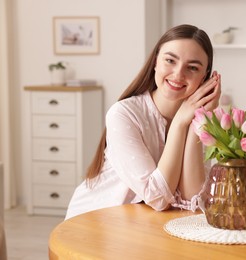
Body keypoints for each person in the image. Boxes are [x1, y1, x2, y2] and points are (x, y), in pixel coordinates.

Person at [65, 24, 221, 220]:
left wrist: (194, 122)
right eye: (170, 60)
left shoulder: (199, 119)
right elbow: (157, 197)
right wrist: (181, 121)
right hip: (93, 223)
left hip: (141, 225)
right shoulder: (123, 114)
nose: (178, 74)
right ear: (156, 62)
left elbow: (193, 201)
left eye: (192, 68)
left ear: (205, 77)